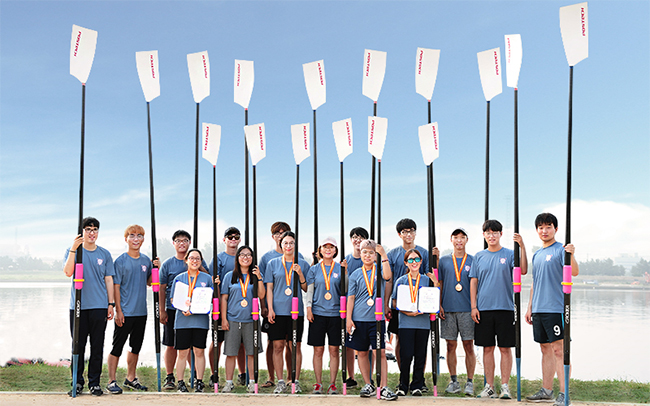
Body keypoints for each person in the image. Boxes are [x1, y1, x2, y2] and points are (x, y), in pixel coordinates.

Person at [525, 213, 579, 406]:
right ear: (537, 230)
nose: (544, 231)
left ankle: (564, 394)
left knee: (559, 350)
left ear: (555, 229)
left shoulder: (561, 250)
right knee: (544, 349)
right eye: (541, 227)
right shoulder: (537, 254)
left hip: (555, 308)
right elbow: (534, 282)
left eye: (548, 227)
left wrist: (571, 254)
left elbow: (573, 272)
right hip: (538, 308)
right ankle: (547, 390)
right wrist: (530, 307)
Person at [470, 219, 527, 399]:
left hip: (506, 308)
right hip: (484, 309)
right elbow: (474, 282)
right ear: (484, 235)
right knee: (487, 348)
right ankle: (489, 386)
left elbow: (523, 270)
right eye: (488, 233)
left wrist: (522, 247)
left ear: (501, 234)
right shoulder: (479, 256)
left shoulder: (510, 254)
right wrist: (473, 306)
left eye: (495, 233)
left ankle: (505, 386)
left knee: (505, 348)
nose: (492, 236)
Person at [63, 217, 115, 396]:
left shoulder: (104, 254)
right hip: (78, 306)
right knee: (78, 345)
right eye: (88, 229)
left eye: (95, 229)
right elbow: (68, 272)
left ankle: (94, 383)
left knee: (97, 346)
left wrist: (111, 304)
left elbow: (109, 279)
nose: (92, 233)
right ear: (82, 232)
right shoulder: (74, 252)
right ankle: (77, 382)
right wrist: (73, 249)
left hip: (99, 306)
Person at [106, 225, 157, 394]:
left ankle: (130, 378)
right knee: (117, 347)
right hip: (125, 312)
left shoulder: (145, 261)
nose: (136, 239)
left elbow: (150, 282)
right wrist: (118, 310)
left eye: (140, 236)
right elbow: (116, 287)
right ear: (126, 239)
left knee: (135, 347)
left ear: (143, 239)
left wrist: (155, 268)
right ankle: (111, 380)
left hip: (141, 312)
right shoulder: (120, 261)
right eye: (132, 236)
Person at [346, 239, 398, 401]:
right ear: (360, 254)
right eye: (364, 252)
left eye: (371, 252)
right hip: (359, 319)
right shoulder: (355, 274)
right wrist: (348, 318)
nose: (367, 255)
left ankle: (382, 386)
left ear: (375, 255)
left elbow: (388, 276)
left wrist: (383, 255)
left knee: (380, 352)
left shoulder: (380, 270)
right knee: (361, 352)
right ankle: (368, 383)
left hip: (377, 320)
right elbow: (351, 298)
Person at [159, 230, 207, 390]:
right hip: (178, 313)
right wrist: (163, 310)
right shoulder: (173, 270)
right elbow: (164, 289)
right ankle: (172, 378)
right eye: (178, 240)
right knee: (174, 346)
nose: (182, 243)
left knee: (198, 350)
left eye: (185, 240)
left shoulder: (204, 272)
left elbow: (208, 292)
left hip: (200, 316)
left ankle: (197, 379)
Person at [264, 231, 310, 394]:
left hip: (296, 312)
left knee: (295, 346)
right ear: (281, 245)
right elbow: (269, 288)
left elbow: (306, 288)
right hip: (278, 311)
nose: (289, 246)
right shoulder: (273, 263)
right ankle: (281, 381)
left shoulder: (302, 263)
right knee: (277, 346)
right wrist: (270, 309)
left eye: (291, 243)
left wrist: (300, 273)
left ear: (295, 245)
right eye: (286, 243)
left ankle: (295, 381)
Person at [258, 221, 300, 388]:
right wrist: (264, 306)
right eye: (277, 233)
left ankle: (291, 376)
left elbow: (304, 279)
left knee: (291, 343)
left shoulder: (298, 256)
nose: (281, 235)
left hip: (292, 309)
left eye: (284, 232)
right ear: (273, 236)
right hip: (272, 308)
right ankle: (271, 377)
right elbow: (262, 283)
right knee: (273, 343)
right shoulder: (267, 258)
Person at [391, 249, 437, 396]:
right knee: (406, 355)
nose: (414, 262)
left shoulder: (427, 280)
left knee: (420, 355)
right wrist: (407, 312)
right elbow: (394, 302)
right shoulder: (401, 281)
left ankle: (417, 384)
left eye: (416, 259)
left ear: (421, 261)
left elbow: (435, 298)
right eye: (410, 260)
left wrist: (435, 281)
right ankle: (403, 385)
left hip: (423, 323)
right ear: (406, 263)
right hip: (406, 323)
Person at [170, 248, 216, 393]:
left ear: (201, 261)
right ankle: (181, 382)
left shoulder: (206, 278)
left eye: (197, 258)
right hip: (182, 321)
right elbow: (173, 299)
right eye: (192, 258)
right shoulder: (179, 278)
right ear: (186, 260)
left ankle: (199, 382)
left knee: (199, 352)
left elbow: (210, 300)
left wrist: (196, 309)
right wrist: (183, 308)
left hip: (200, 321)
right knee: (182, 353)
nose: (195, 261)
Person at [437, 228, 476, 396]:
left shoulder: (474, 260)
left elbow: (476, 286)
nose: (459, 241)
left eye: (462, 238)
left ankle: (469, 382)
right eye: (456, 238)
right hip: (448, 310)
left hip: (467, 310)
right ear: (451, 240)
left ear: (467, 240)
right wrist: (438, 304)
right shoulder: (444, 261)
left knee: (468, 345)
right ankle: (454, 381)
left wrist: (475, 307)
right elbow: (439, 283)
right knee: (450, 345)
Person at [221, 245, 266, 393]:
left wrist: (259, 277)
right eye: (242, 254)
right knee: (231, 352)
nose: (245, 257)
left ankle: (252, 382)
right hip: (233, 319)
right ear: (237, 258)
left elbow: (261, 295)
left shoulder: (255, 276)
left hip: (250, 320)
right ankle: (229, 382)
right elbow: (224, 299)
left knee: (251, 352)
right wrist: (224, 319)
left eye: (248, 255)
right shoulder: (230, 276)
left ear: (252, 258)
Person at [386, 219, 429, 369]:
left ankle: (420, 379)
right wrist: (388, 304)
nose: (408, 234)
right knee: (399, 337)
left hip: (420, 304)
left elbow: (430, 278)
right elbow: (389, 281)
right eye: (405, 231)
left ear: (415, 233)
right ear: (399, 234)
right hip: (401, 303)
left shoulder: (424, 252)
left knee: (421, 343)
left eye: (411, 231)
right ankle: (402, 373)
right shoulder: (393, 254)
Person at [207, 226, 247, 388]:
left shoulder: (244, 257)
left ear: (239, 239)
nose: (233, 239)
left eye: (236, 236)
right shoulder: (218, 259)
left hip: (240, 307)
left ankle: (243, 374)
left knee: (242, 343)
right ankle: (213, 373)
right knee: (217, 341)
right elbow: (211, 281)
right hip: (221, 306)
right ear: (224, 240)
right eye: (229, 237)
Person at [306, 237, 344, 395]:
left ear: (335, 251)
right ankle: (318, 383)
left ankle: (333, 384)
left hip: (335, 314)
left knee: (334, 350)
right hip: (318, 313)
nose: (328, 249)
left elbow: (345, 291)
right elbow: (310, 290)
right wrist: (308, 307)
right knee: (318, 350)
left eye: (331, 247)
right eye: (325, 247)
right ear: (320, 250)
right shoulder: (314, 269)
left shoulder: (340, 268)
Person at [342, 226, 369, 389]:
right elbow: (343, 287)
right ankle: (350, 376)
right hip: (350, 306)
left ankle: (370, 376)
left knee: (369, 345)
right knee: (348, 344)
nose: (357, 240)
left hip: (368, 307)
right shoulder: (346, 260)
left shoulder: (371, 258)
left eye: (361, 237)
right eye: (354, 237)